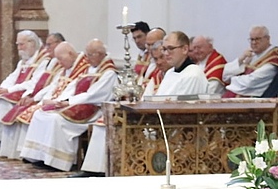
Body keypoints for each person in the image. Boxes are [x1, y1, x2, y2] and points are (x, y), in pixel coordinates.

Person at [77, 32, 206, 177]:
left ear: (185, 49)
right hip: (159, 120)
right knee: (111, 123)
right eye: (164, 49)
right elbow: (156, 99)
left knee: (123, 128)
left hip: (177, 130)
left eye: (171, 49)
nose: (166, 53)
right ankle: (100, 171)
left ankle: (119, 172)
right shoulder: (170, 73)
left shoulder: (193, 74)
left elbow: (182, 110)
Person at [20, 39, 117, 171]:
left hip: (93, 108)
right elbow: (74, 85)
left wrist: (68, 102)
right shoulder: (90, 68)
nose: (87, 58)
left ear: (100, 54)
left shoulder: (109, 72)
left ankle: (58, 161)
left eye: (90, 55)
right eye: (86, 54)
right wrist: (61, 100)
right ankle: (42, 157)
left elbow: (93, 95)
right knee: (40, 114)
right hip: (77, 102)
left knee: (56, 119)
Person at [0, 34, 70, 160]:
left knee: (32, 112)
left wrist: (36, 99)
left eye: (49, 44)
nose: (46, 48)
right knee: (22, 108)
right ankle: (20, 152)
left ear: (59, 43)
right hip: (42, 96)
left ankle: (33, 155)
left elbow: (52, 86)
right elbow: (39, 83)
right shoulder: (51, 62)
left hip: (51, 99)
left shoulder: (61, 64)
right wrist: (29, 94)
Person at [222, 25, 278, 98]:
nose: (254, 42)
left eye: (257, 39)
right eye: (252, 39)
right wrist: (241, 60)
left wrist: (232, 79)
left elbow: (249, 83)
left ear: (268, 39)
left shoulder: (272, 61)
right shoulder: (251, 55)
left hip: (252, 101)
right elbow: (225, 76)